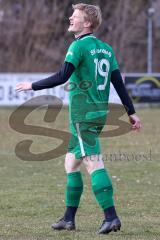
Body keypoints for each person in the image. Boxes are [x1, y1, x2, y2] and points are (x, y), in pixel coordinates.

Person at [16, 3, 141, 235]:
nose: (70, 19)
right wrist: (131, 112)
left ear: (88, 23)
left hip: (83, 116)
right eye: (71, 16)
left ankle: (111, 217)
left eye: (75, 17)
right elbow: (118, 83)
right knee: (71, 163)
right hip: (97, 114)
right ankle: (68, 219)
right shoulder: (105, 49)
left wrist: (32, 85)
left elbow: (62, 75)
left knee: (93, 163)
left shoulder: (78, 46)